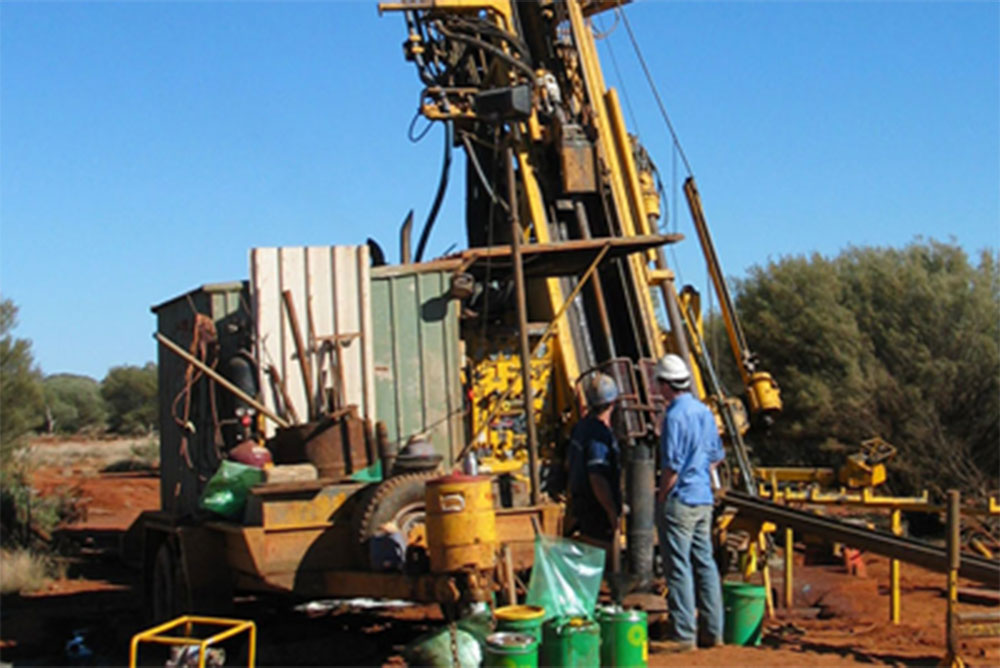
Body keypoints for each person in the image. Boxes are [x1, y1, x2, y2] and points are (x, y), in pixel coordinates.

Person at [654, 353, 725, 651]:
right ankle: (713, 632)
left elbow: (671, 466)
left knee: (679, 567)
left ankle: (684, 634)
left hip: (680, 499)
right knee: (705, 564)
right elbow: (716, 457)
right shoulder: (703, 412)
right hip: (703, 499)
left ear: (666, 384)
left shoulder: (673, 416)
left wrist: (660, 497)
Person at [566, 372, 622, 548]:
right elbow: (597, 478)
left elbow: (569, 465)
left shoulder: (580, 428)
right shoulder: (600, 435)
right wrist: (612, 512)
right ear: (613, 403)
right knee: (600, 560)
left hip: (580, 506)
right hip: (596, 511)